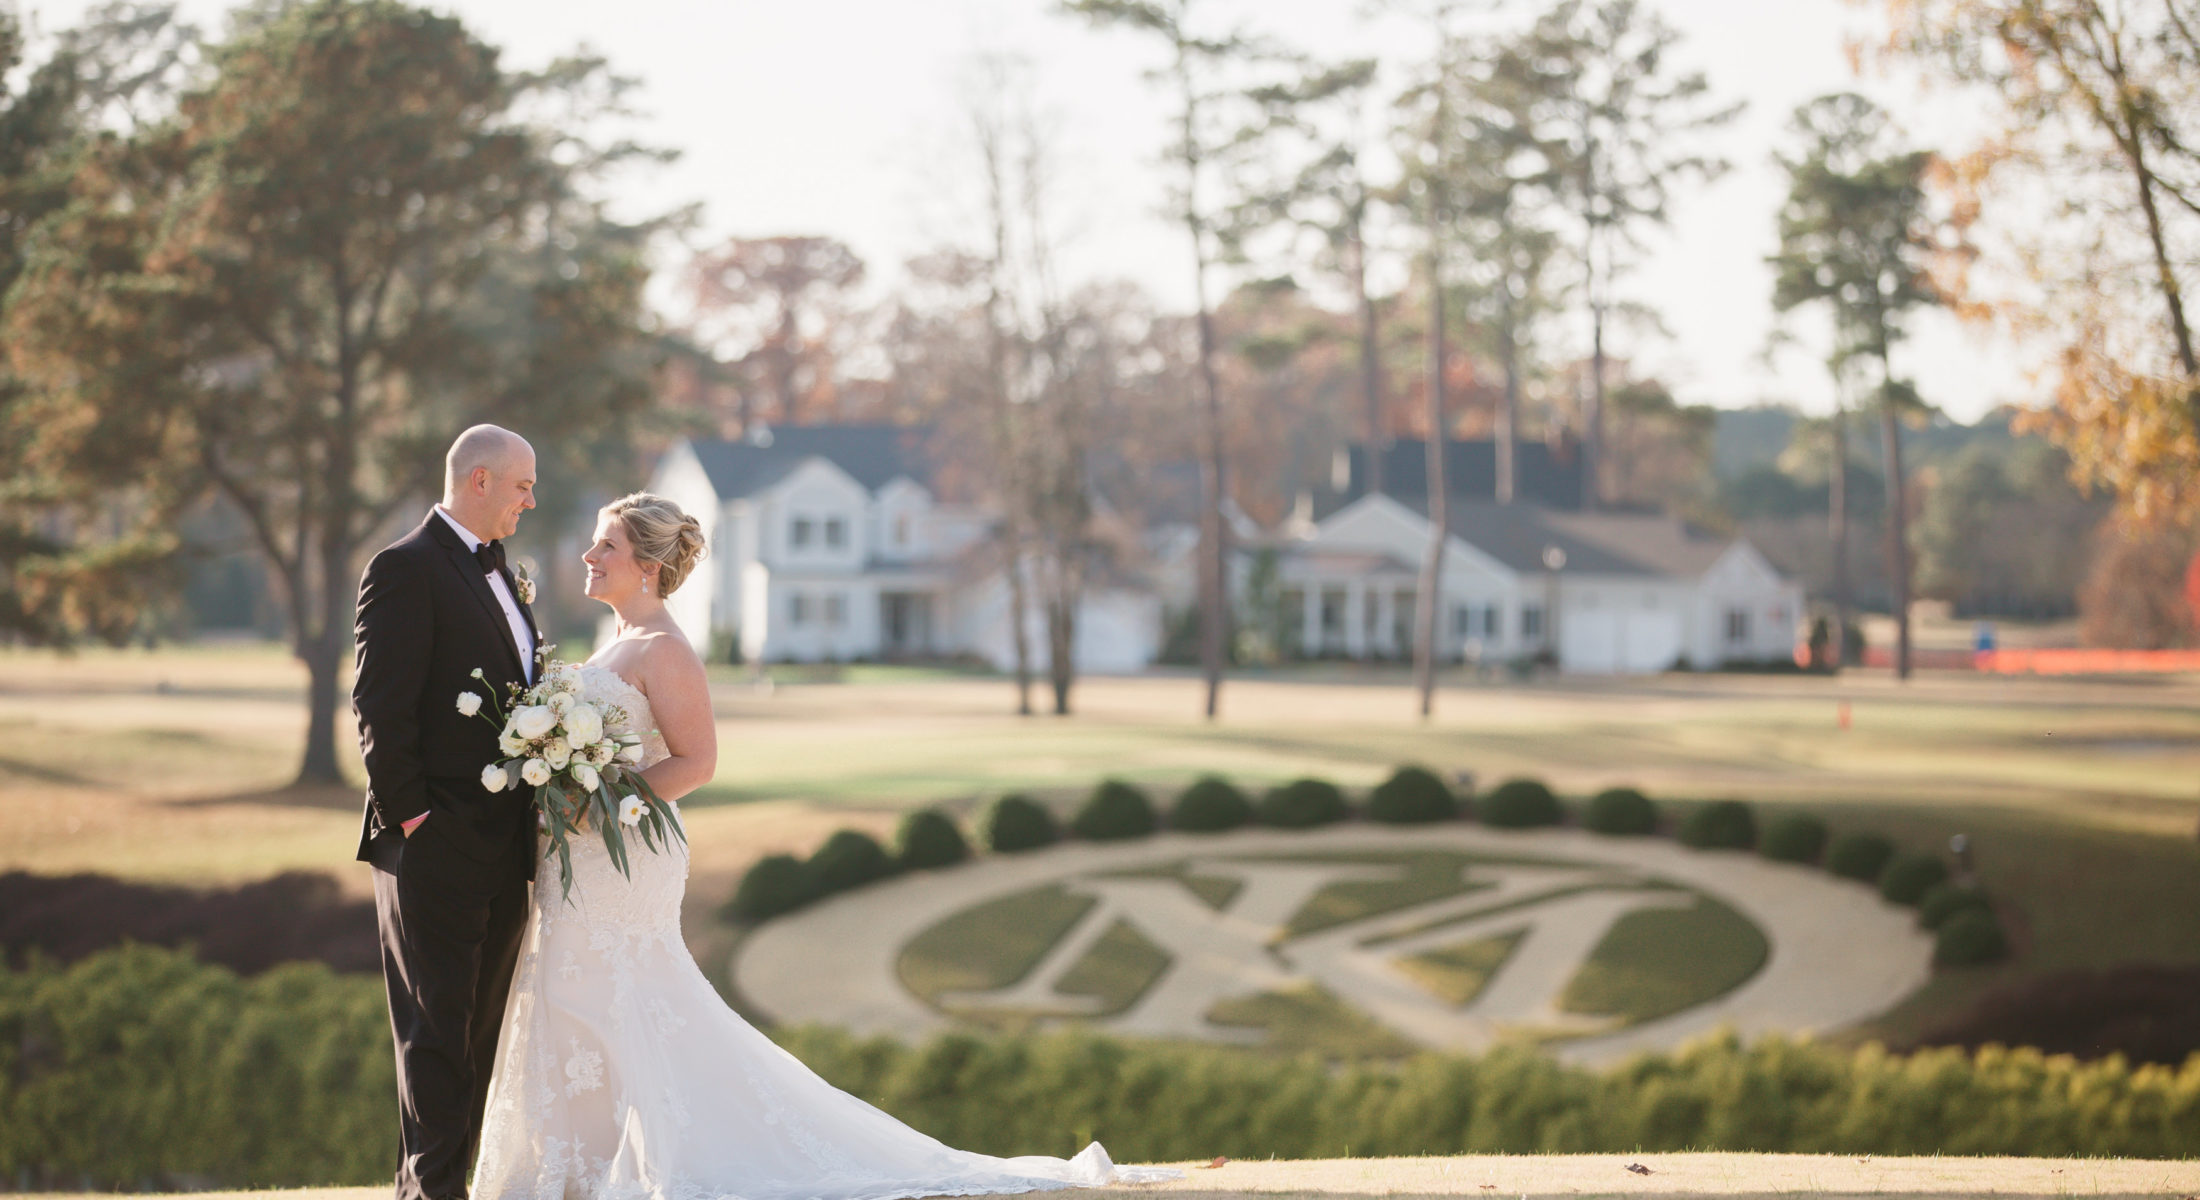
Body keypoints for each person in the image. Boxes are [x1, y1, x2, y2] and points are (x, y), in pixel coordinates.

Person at [471, 492, 1176, 1199]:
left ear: (648, 566)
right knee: (573, 992)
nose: (590, 558)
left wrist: (606, 806)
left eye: (606, 547)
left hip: (625, 853)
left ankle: (623, 1169)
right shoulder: (616, 641)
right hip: (580, 856)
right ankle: (580, 1167)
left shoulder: (664, 650)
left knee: (615, 996)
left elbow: (697, 762)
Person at [355, 425, 543, 1200]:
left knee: (478, 1032)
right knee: (434, 1035)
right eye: (523, 486)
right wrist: (415, 824)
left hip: (504, 851)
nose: (531, 500)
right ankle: (434, 1193)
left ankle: (431, 1188)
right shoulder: (403, 569)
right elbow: (379, 707)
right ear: (479, 482)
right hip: (433, 847)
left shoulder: (506, 575)